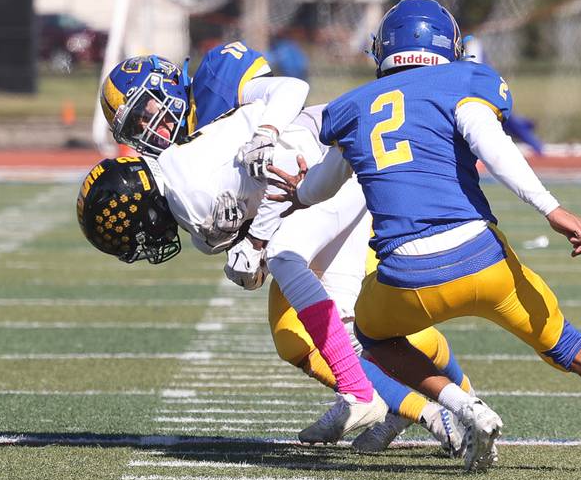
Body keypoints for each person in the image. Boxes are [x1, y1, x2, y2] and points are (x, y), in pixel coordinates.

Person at [267, 0, 581, 476]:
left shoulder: (352, 108)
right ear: (447, 45)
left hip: (406, 278)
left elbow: (320, 187)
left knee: (373, 336)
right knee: (572, 347)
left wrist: (297, 194)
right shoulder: (462, 82)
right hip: (483, 261)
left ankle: (463, 405)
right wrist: (550, 208)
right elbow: (495, 149)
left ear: (383, 50)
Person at [81, 95, 477, 455]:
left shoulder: (193, 185)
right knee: (343, 328)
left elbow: (279, 159)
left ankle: (382, 399)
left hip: (326, 167)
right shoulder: (183, 181)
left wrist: (255, 243)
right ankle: (446, 409)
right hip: (323, 178)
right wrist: (252, 252)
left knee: (297, 280)